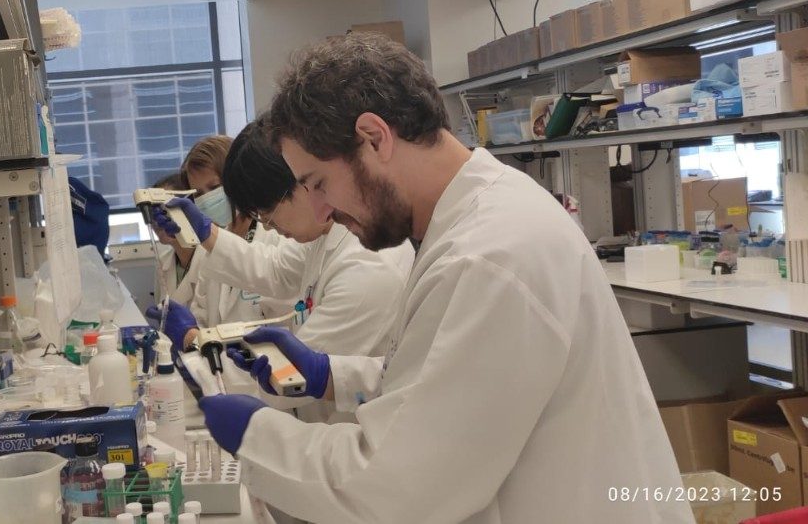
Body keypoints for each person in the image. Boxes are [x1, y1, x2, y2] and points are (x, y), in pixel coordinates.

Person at [195, 34, 691, 523]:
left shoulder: (488, 255)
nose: (321, 208)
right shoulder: (471, 219)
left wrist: (256, 435)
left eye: (318, 183)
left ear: (374, 138)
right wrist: (335, 378)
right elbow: (452, 385)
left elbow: (398, 486)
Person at [151, 118, 413, 425]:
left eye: (268, 212)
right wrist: (208, 232)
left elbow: (295, 373)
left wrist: (194, 350)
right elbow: (272, 269)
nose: (267, 224)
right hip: (316, 424)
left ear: (302, 184)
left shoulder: (368, 268)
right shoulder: (324, 238)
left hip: (353, 432)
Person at [176, 135, 293, 328]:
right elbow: (201, 317)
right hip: (218, 357)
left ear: (235, 179)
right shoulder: (208, 248)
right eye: (198, 194)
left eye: (214, 188)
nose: (207, 199)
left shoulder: (277, 236)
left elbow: (288, 315)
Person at [150, 173, 199, 306]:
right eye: (153, 210)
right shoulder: (163, 262)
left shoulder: (211, 260)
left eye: (165, 209)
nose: (157, 219)